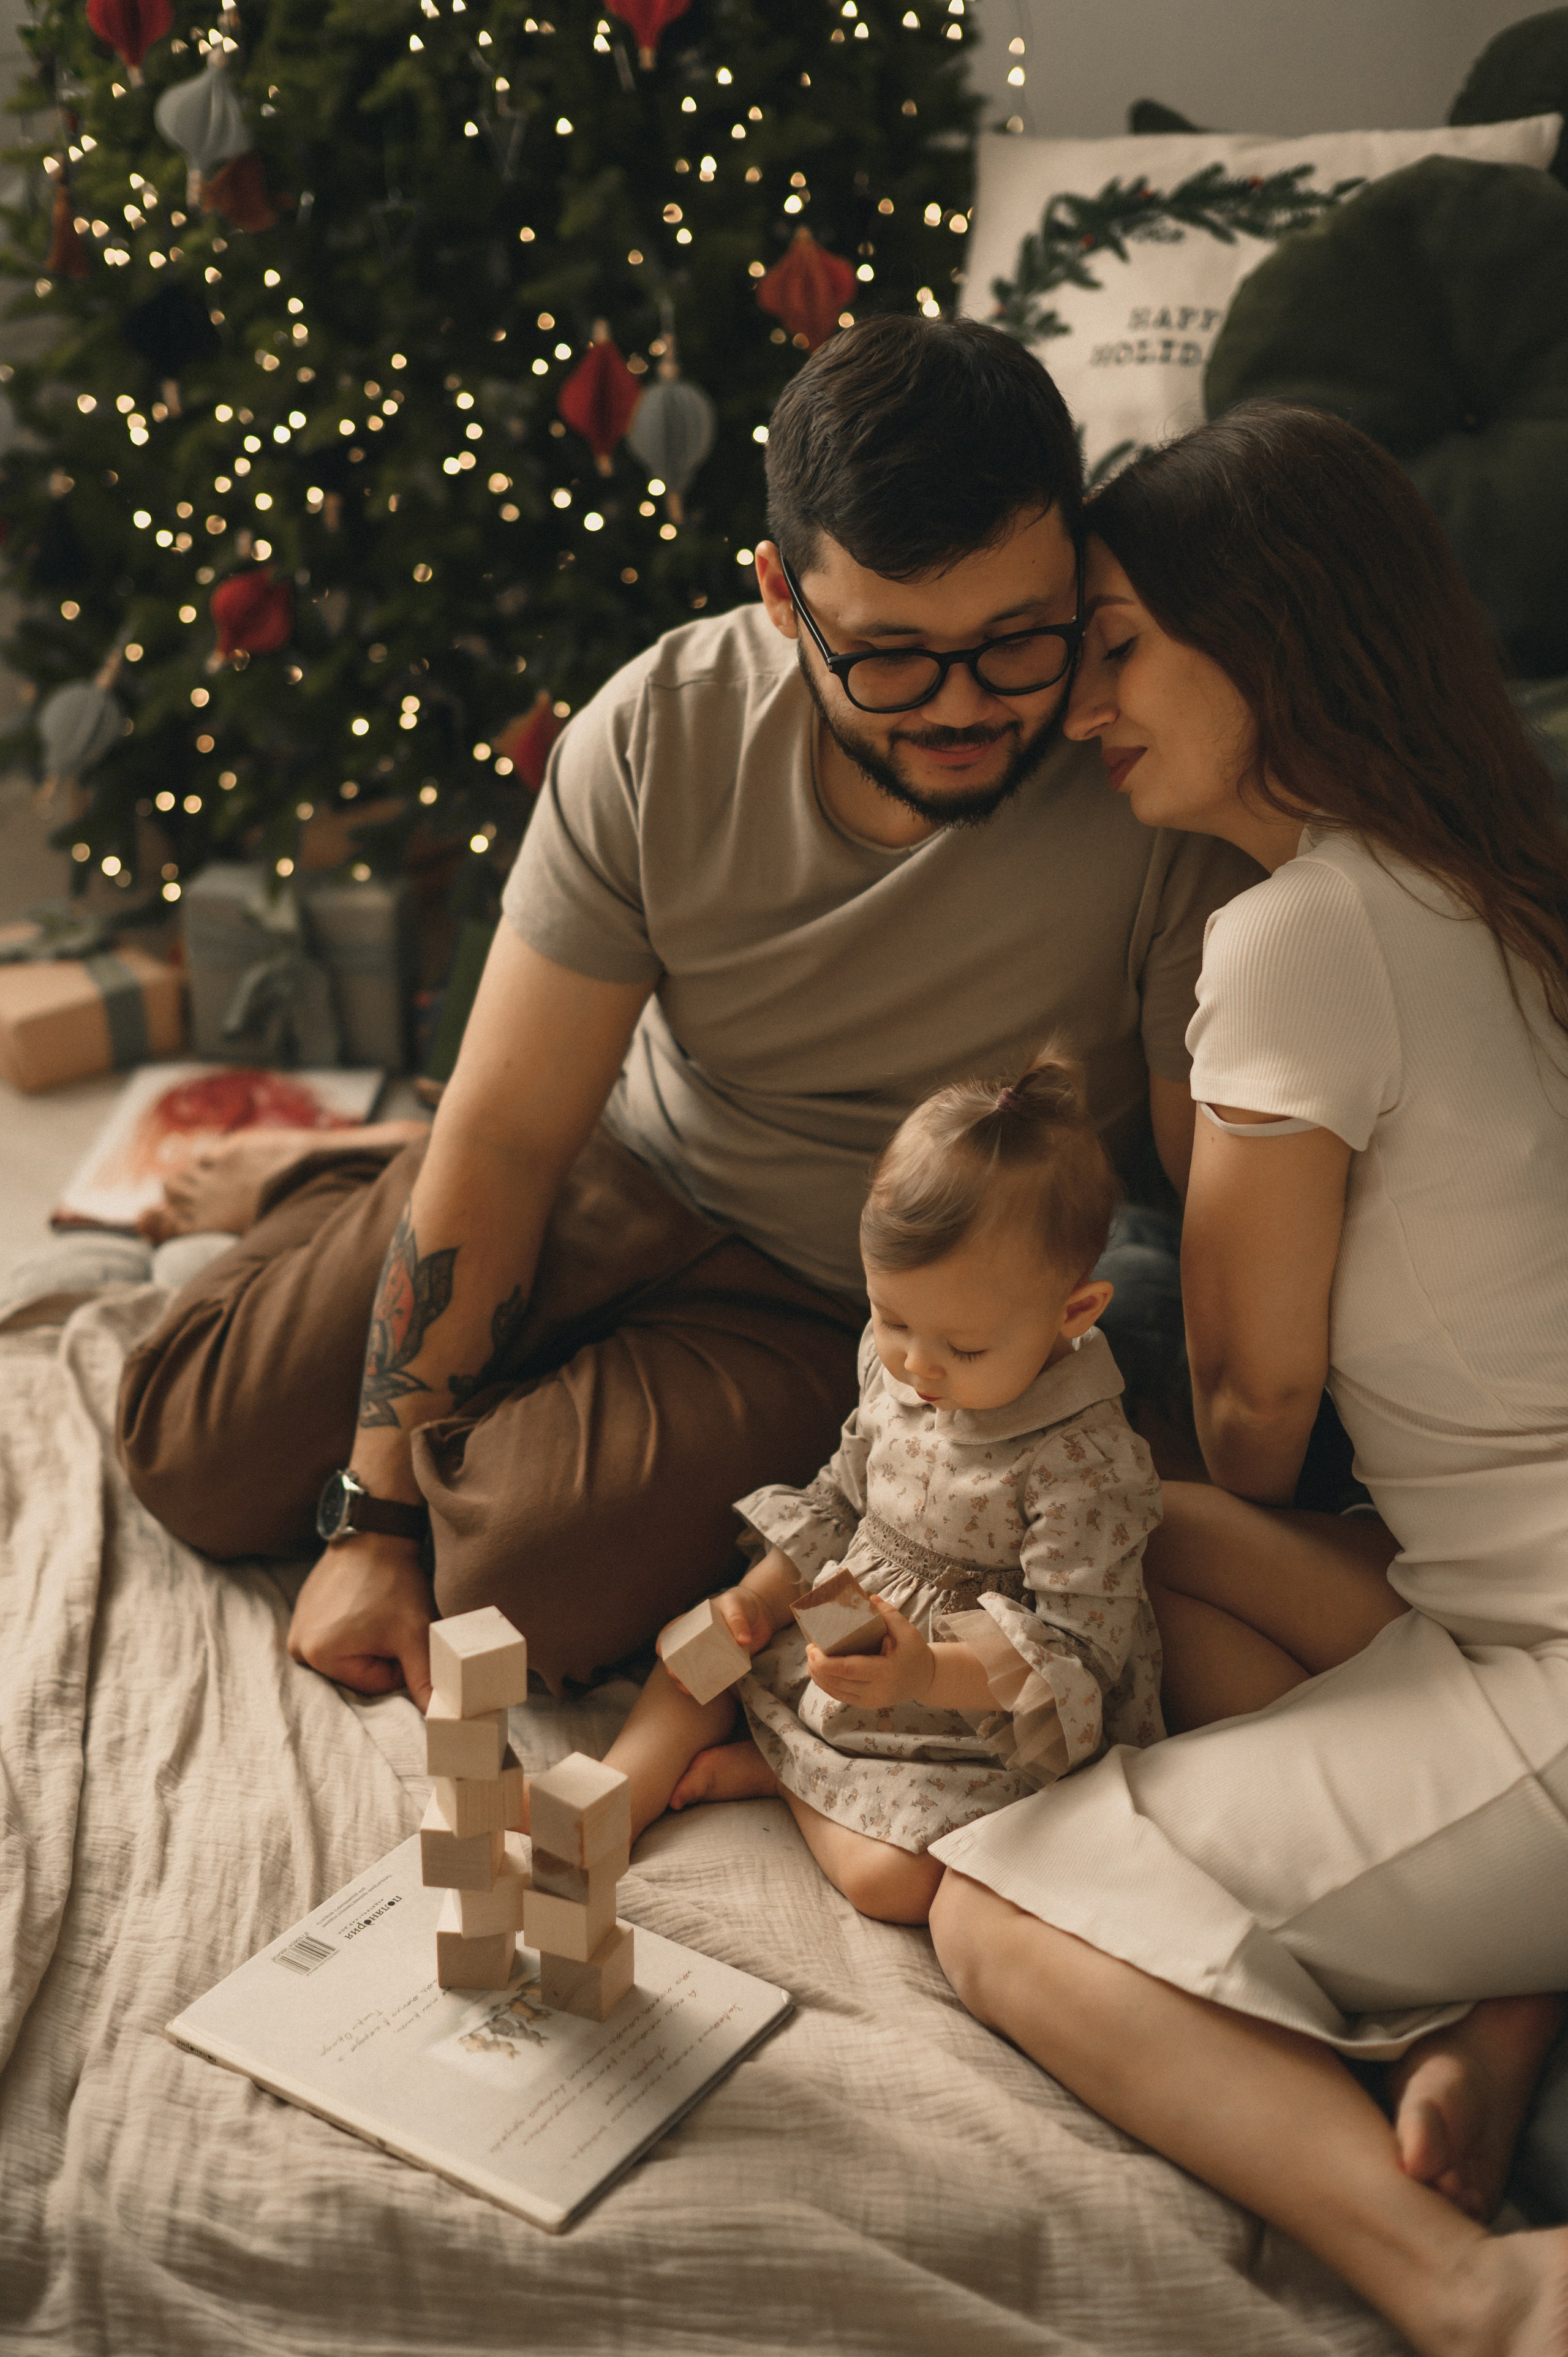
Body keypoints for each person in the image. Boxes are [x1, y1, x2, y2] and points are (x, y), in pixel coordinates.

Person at [116, 316, 1256, 1706]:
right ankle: (354, 1175)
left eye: (1017, 641)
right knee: (189, 1452)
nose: (963, 707)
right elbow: (512, 1134)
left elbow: (1211, 1205)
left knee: (513, 1585)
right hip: (618, 1161)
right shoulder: (662, 723)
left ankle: (384, 1195)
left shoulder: (1144, 776)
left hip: (839, 1297)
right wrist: (370, 1518)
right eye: (891, 654)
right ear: (782, 594)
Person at [925, 404, 1568, 2357]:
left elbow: (1254, 1402)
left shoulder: (1297, 939)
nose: (1082, 707)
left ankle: (1475, 2292)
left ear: (1266, 638)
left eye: (1120, 648)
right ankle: (1498, 2003)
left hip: (1547, 1646)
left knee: (994, 1905)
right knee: (1170, 1551)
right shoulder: (1507, 869)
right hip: (1500, 1581)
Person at [598, 1049, 1163, 1924]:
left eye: (964, 1348)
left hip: (958, 1718)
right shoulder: (898, 1363)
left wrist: (927, 1671)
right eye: (893, 1319)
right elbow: (840, 1500)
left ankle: (788, 1776)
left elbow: (1080, 1658)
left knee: (892, 1884)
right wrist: (759, 1599)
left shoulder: (1085, 1462)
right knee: (695, 1659)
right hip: (845, 1622)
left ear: (1075, 1312)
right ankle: (604, 1803)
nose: (917, 1366)